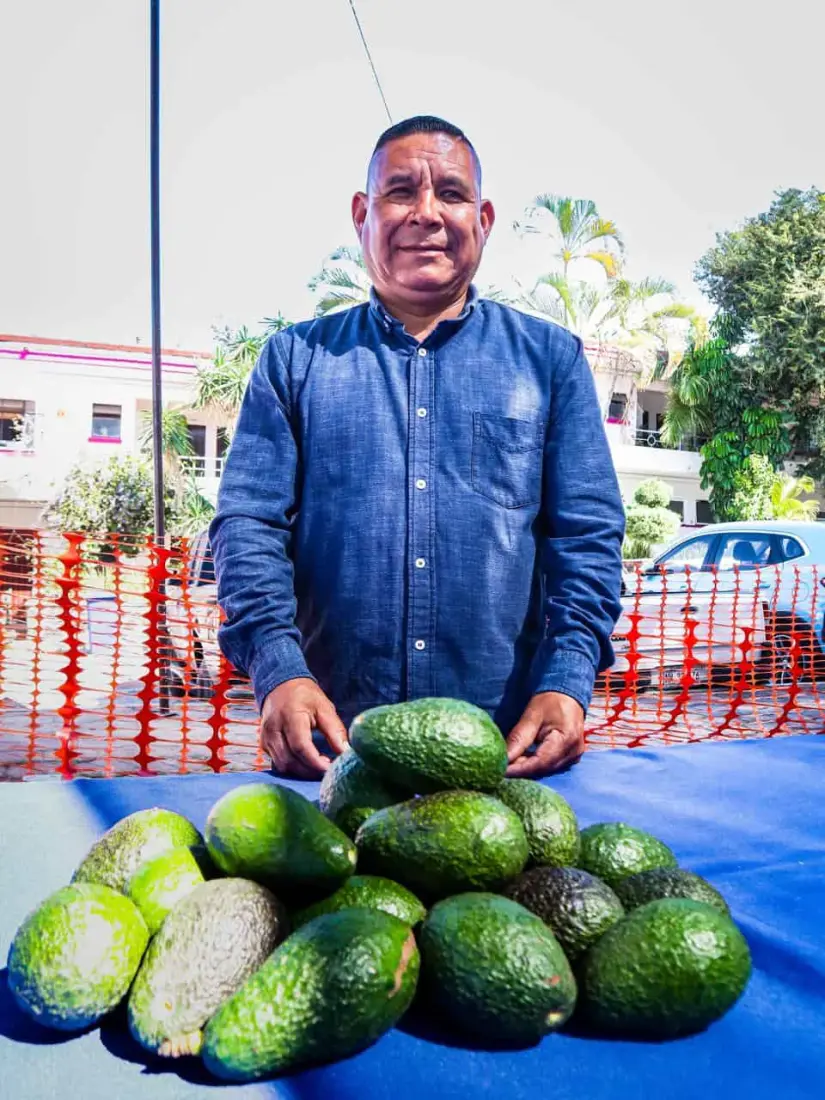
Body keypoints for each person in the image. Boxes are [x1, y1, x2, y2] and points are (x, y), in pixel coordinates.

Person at [210, 115, 625, 780]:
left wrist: (568, 677)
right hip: (332, 755)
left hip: (507, 754)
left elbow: (587, 538)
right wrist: (277, 669)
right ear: (361, 214)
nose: (426, 214)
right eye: (400, 191)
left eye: (451, 194)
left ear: (482, 219)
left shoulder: (550, 362)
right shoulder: (294, 361)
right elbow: (247, 526)